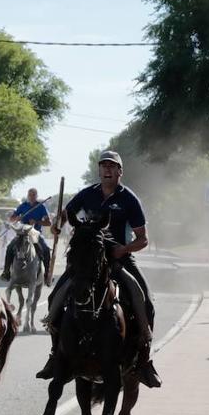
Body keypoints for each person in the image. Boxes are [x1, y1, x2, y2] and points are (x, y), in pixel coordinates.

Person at [37, 150, 161, 388]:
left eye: (112, 166)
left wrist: (123, 250)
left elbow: (143, 239)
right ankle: (56, 354)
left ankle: (144, 359)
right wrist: (57, 224)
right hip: (87, 259)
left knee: (144, 298)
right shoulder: (88, 194)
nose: (107, 170)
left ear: (119, 172)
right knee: (57, 295)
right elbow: (65, 215)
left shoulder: (129, 199)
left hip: (117, 257)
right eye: (104, 166)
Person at [0, 187, 52, 280]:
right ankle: (6, 271)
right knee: (10, 247)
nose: (32, 197)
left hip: (36, 233)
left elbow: (49, 223)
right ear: (27, 196)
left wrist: (36, 222)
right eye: (30, 195)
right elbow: (12, 218)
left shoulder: (41, 207)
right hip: (22, 233)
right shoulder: (23, 206)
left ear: (36, 196)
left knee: (46, 249)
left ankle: (47, 274)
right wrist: (17, 218)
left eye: (34, 195)